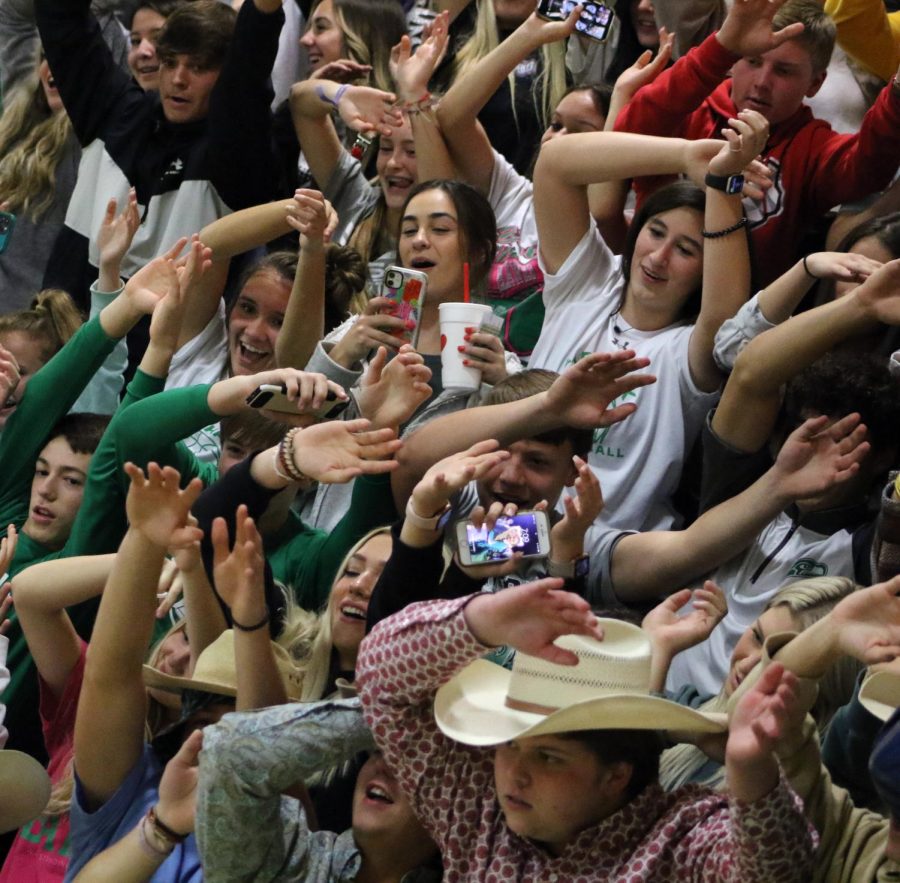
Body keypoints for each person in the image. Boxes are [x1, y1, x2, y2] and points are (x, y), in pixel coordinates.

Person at [356, 579, 816, 880]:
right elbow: (379, 676)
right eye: (510, 743)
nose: (512, 773)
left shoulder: (678, 839)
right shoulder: (478, 803)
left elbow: (775, 871)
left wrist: (752, 772)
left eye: (548, 756)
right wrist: (481, 621)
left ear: (615, 777)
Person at [614, 0, 900, 285]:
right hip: (639, 284)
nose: (763, 81)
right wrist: (721, 46)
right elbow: (628, 131)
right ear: (733, 62)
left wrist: (897, 92)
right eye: (753, 61)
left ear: (815, 83)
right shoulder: (686, 110)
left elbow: (867, 167)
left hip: (734, 317)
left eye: (784, 71)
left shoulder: (811, 146)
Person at [35, 0, 283, 309]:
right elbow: (62, 20)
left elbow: (249, 69)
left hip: (161, 352)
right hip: (61, 335)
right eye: (169, 62)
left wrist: (263, 12)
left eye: (198, 66)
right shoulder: (116, 114)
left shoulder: (235, 156)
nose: (178, 79)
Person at [0, 49, 79, 308]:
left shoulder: (86, 138)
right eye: (45, 55)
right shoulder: (16, 128)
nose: (51, 66)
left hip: (27, 316)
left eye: (65, 55)